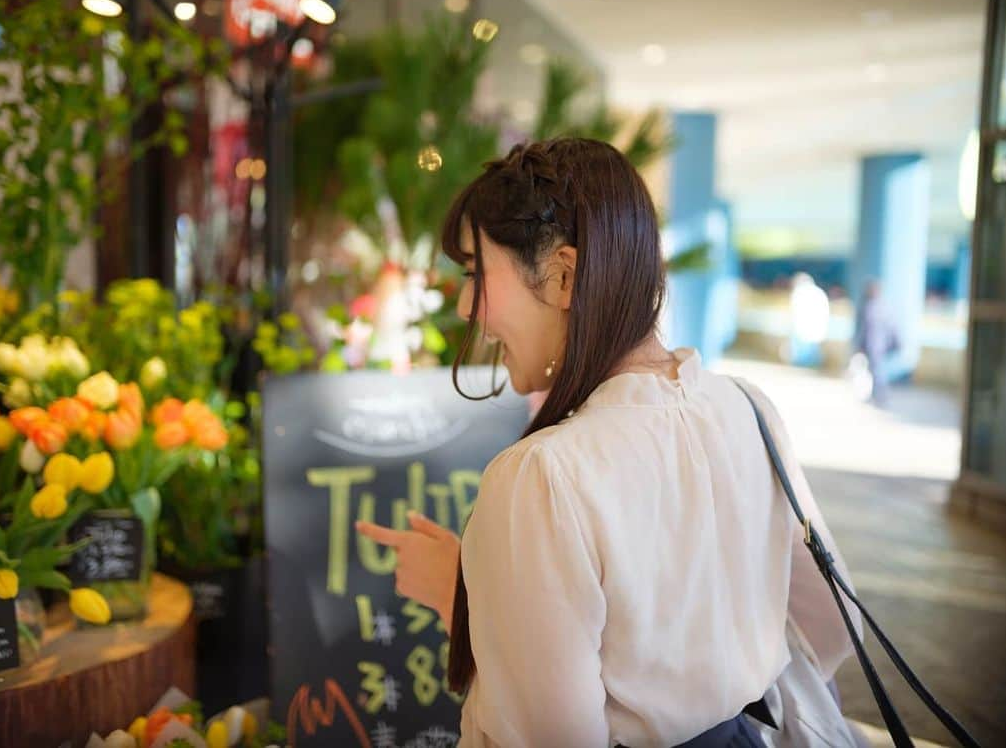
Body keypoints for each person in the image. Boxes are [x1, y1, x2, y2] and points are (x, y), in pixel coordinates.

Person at [358, 139, 861, 747]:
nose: (467, 304)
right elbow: (832, 623)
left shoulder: (542, 476)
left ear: (565, 275)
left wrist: (463, 601)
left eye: (474, 272)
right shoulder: (748, 407)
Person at [853, 279, 899, 406]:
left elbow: (864, 328)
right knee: (875, 370)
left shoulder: (870, 307)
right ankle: (877, 394)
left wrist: (858, 345)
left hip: (875, 345)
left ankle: (880, 394)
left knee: (876, 370)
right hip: (877, 345)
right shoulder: (882, 306)